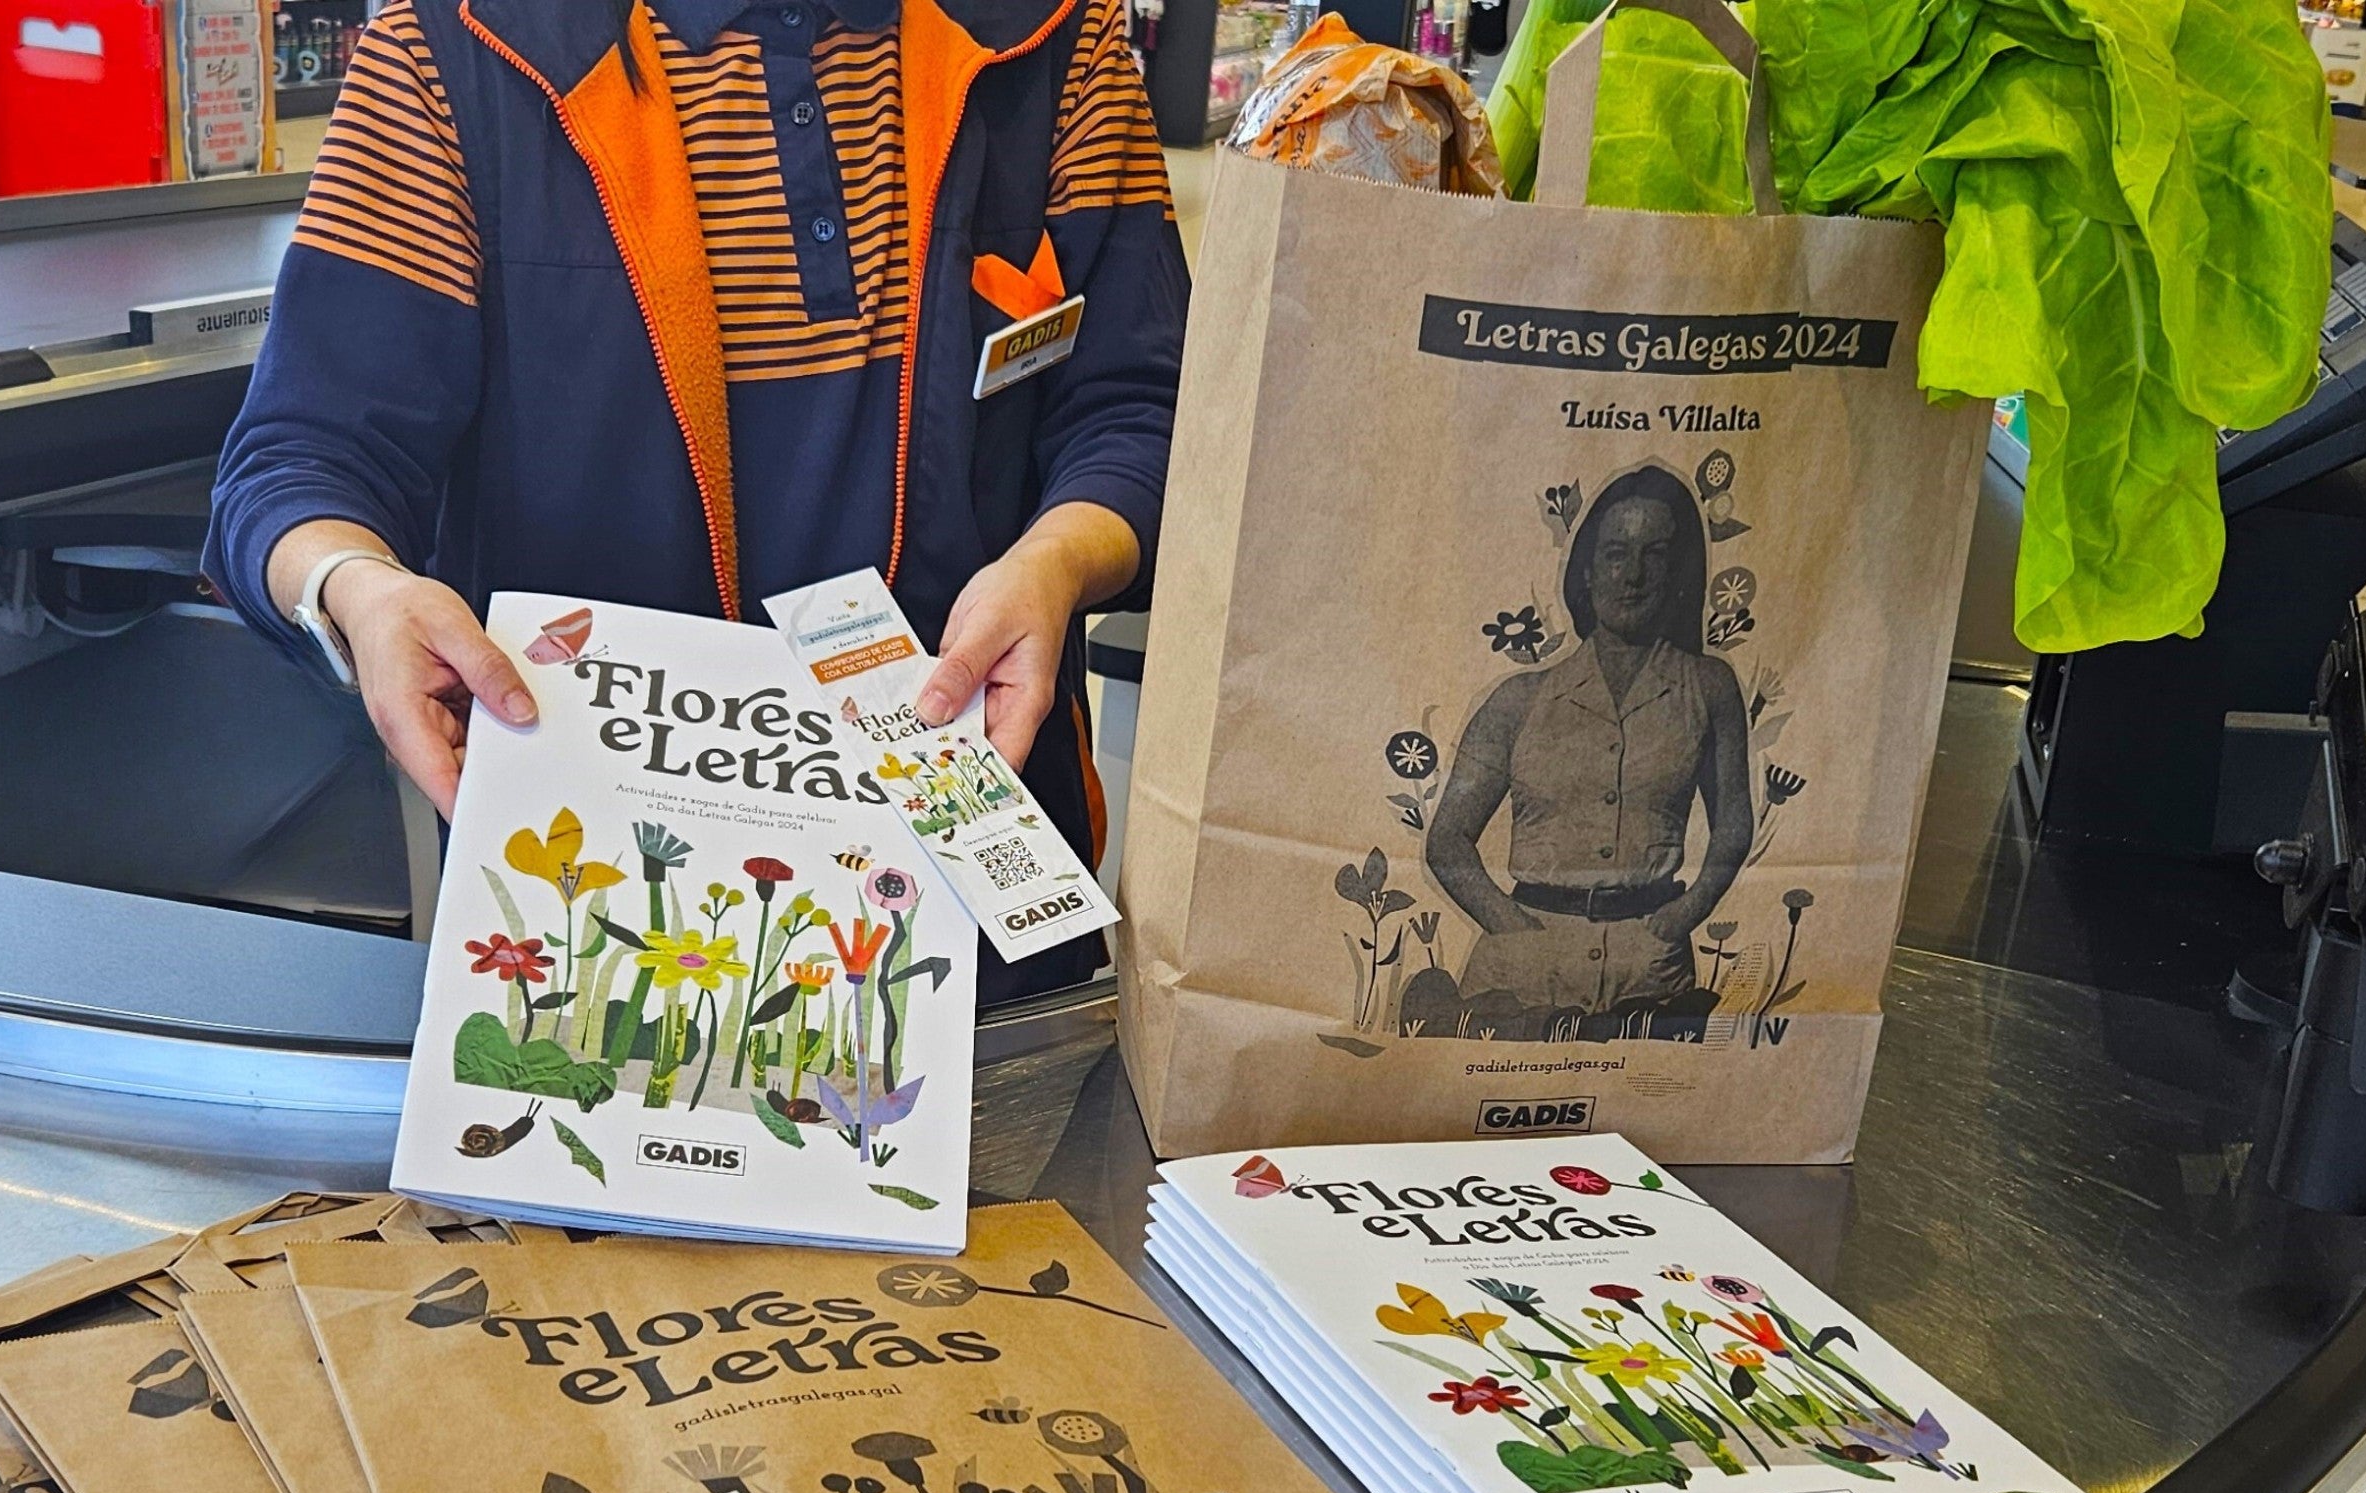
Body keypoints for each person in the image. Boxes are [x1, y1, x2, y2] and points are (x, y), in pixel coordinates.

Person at [206, 0, 1185, 1002]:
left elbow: (1141, 408)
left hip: (972, 893)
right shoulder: (454, 54)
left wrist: (1060, 555)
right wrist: (356, 588)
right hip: (596, 904)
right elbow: (302, 456)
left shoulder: (1053, 39)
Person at [1422, 464, 1751, 1029]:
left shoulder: (1708, 687)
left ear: (1678, 573)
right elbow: (1448, 840)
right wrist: (1512, 929)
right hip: (1523, 969)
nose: (1634, 575)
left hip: (1649, 969)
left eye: (1655, 555)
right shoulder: (1518, 699)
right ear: (1588, 572)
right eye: (1617, 554)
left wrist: (1679, 919)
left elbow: (1733, 825)